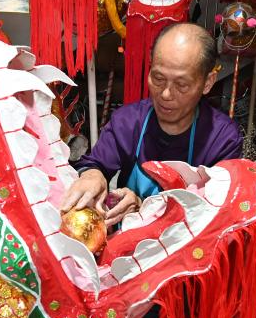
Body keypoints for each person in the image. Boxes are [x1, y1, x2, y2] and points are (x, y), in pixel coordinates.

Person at [61, 22, 242, 226]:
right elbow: (93, 164)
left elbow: (216, 216)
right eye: (158, 78)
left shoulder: (222, 138)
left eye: (181, 85)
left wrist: (142, 206)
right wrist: (92, 175)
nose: (165, 94)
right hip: (128, 245)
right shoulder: (128, 122)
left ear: (207, 82)